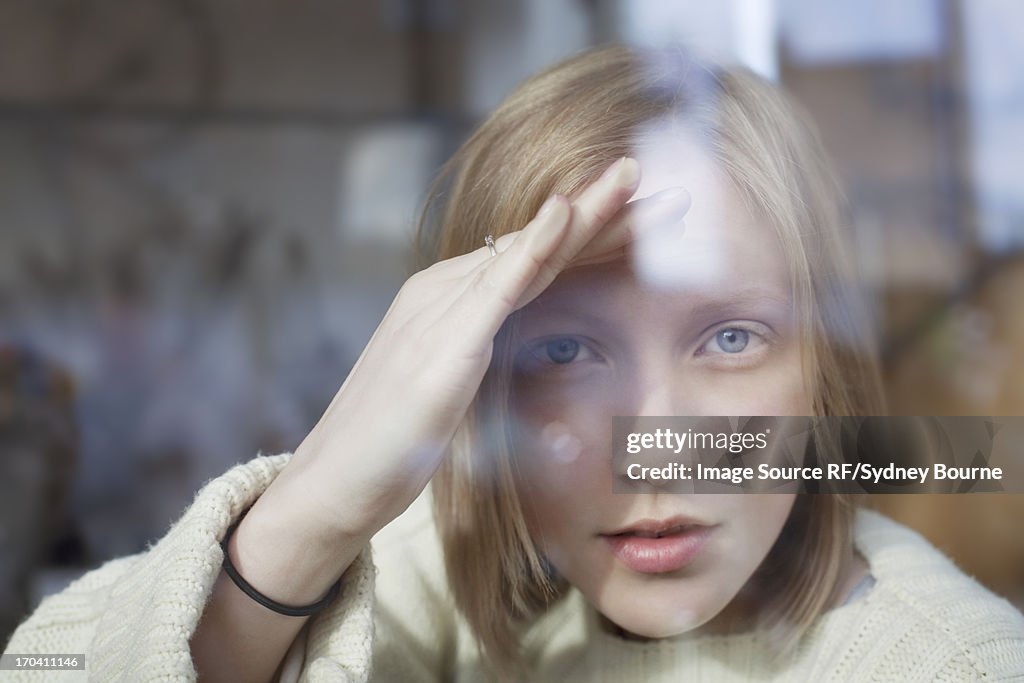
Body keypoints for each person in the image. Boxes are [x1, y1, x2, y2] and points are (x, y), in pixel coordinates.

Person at [6, 44, 1024, 682]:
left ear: (823, 375)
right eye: (565, 349)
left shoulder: (951, 663)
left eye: (729, 337)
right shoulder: (465, 577)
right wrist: (313, 502)